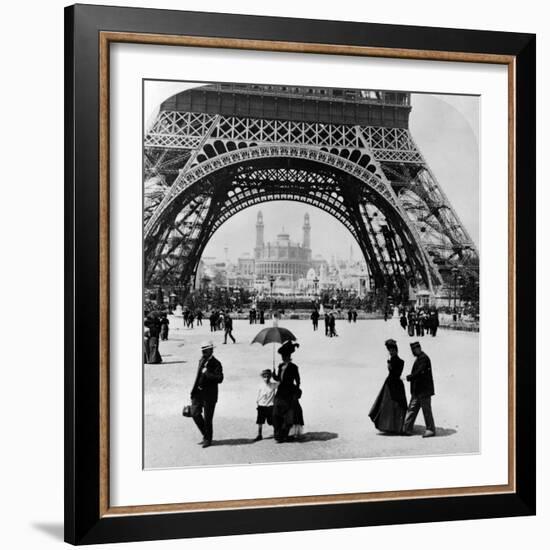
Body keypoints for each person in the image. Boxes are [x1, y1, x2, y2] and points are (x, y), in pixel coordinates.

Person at [368, 339, 408, 433]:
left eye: (392, 350)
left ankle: (395, 426)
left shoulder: (400, 361)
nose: (391, 352)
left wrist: (390, 368)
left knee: (394, 405)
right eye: (389, 350)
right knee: (388, 405)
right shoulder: (392, 361)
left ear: (396, 350)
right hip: (390, 384)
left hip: (394, 384)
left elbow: (397, 374)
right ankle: (392, 426)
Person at [190, 341, 224, 448]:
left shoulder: (216, 363)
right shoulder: (201, 360)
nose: (203, 352)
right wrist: (193, 391)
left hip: (209, 396)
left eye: (205, 350)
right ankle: (206, 434)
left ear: (211, 350)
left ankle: (207, 439)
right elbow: (197, 376)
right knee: (194, 413)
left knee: (208, 419)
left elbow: (220, 379)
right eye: (202, 350)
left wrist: (207, 373)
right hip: (198, 393)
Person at [402, 342, 436, 437]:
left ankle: (431, 430)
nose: (413, 352)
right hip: (417, 390)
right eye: (412, 350)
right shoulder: (420, 358)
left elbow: (419, 372)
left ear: (419, 348)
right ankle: (407, 428)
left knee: (426, 410)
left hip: (424, 390)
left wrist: (408, 377)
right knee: (412, 408)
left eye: (414, 350)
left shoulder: (424, 358)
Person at [272, 341, 303, 443]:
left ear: (289, 356)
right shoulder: (280, 366)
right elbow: (279, 379)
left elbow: (298, 381)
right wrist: (274, 376)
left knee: (288, 415)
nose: (283, 357)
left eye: (285, 356)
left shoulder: (294, 367)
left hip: (289, 393)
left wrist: (296, 392)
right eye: (282, 356)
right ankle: (278, 434)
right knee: (276, 413)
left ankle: (283, 435)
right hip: (280, 392)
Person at [254, 369, 279, 441]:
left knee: (272, 421)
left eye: (268, 376)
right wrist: (258, 403)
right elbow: (258, 395)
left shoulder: (273, 385)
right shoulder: (260, 385)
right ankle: (259, 434)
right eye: (265, 376)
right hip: (261, 405)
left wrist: (275, 375)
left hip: (270, 406)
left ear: (270, 377)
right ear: (262, 377)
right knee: (260, 421)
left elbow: (281, 382)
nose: (266, 378)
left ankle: (276, 433)